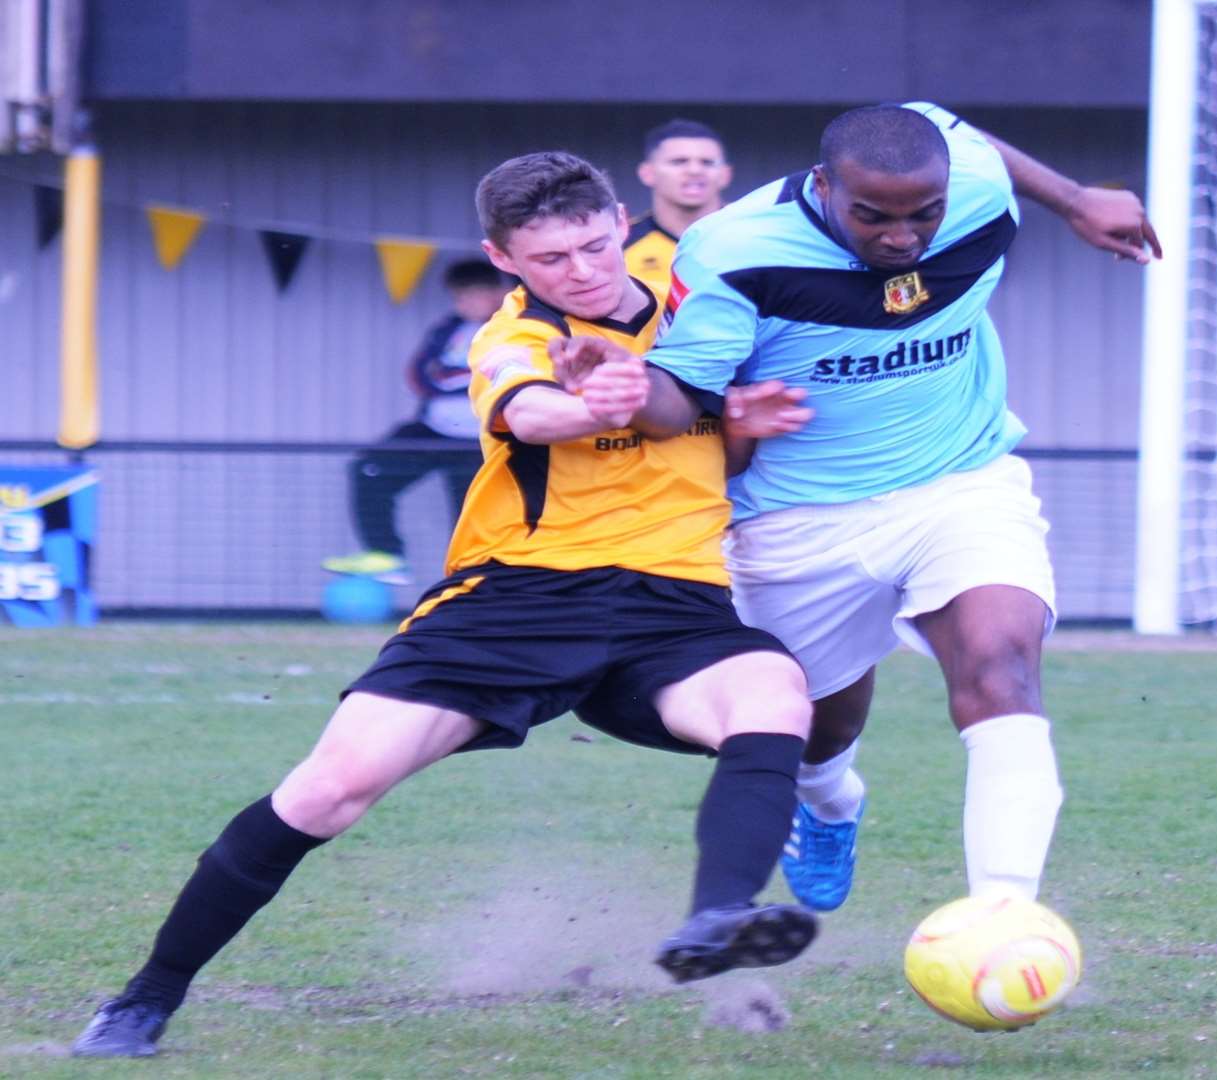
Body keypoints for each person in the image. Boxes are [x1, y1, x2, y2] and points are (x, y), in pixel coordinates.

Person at [71, 151, 820, 1058]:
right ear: (503, 258)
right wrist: (595, 400)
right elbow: (534, 415)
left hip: (676, 602)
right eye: (550, 260)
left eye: (591, 246)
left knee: (775, 697)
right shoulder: (511, 335)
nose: (580, 271)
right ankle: (144, 1000)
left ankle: (716, 920)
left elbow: (705, 449)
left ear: (621, 220)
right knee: (329, 793)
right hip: (518, 598)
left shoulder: (700, 309)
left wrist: (737, 424)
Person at [592, 102, 1157, 915]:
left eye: (923, 213)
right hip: (794, 516)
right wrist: (625, 386)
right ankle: (828, 801)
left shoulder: (977, 188)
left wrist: (1073, 200)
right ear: (823, 186)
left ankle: (1003, 915)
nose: (901, 239)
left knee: (1001, 667)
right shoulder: (731, 250)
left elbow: (948, 123)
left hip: (961, 481)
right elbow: (682, 395)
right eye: (873, 216)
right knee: (818, 725)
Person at [322, 259, 512, 586]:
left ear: (497, 293)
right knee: (370, 469)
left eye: (474, 295)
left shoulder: (512, 326)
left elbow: (500, 375)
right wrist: (456, 379)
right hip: (434, 432)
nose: (465, 304)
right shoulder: (447, 329)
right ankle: (386, 555)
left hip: (481, 439)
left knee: (471, 516)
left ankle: (474, 586)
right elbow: (420, 374)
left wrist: (453, 378)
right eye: (459, 297)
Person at [625, 118, 733, 301]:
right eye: (679, 161)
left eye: (707, 163)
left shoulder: (759, 236)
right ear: (647, 173)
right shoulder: (620, 243)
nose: (694, 170)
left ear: (725, 174)